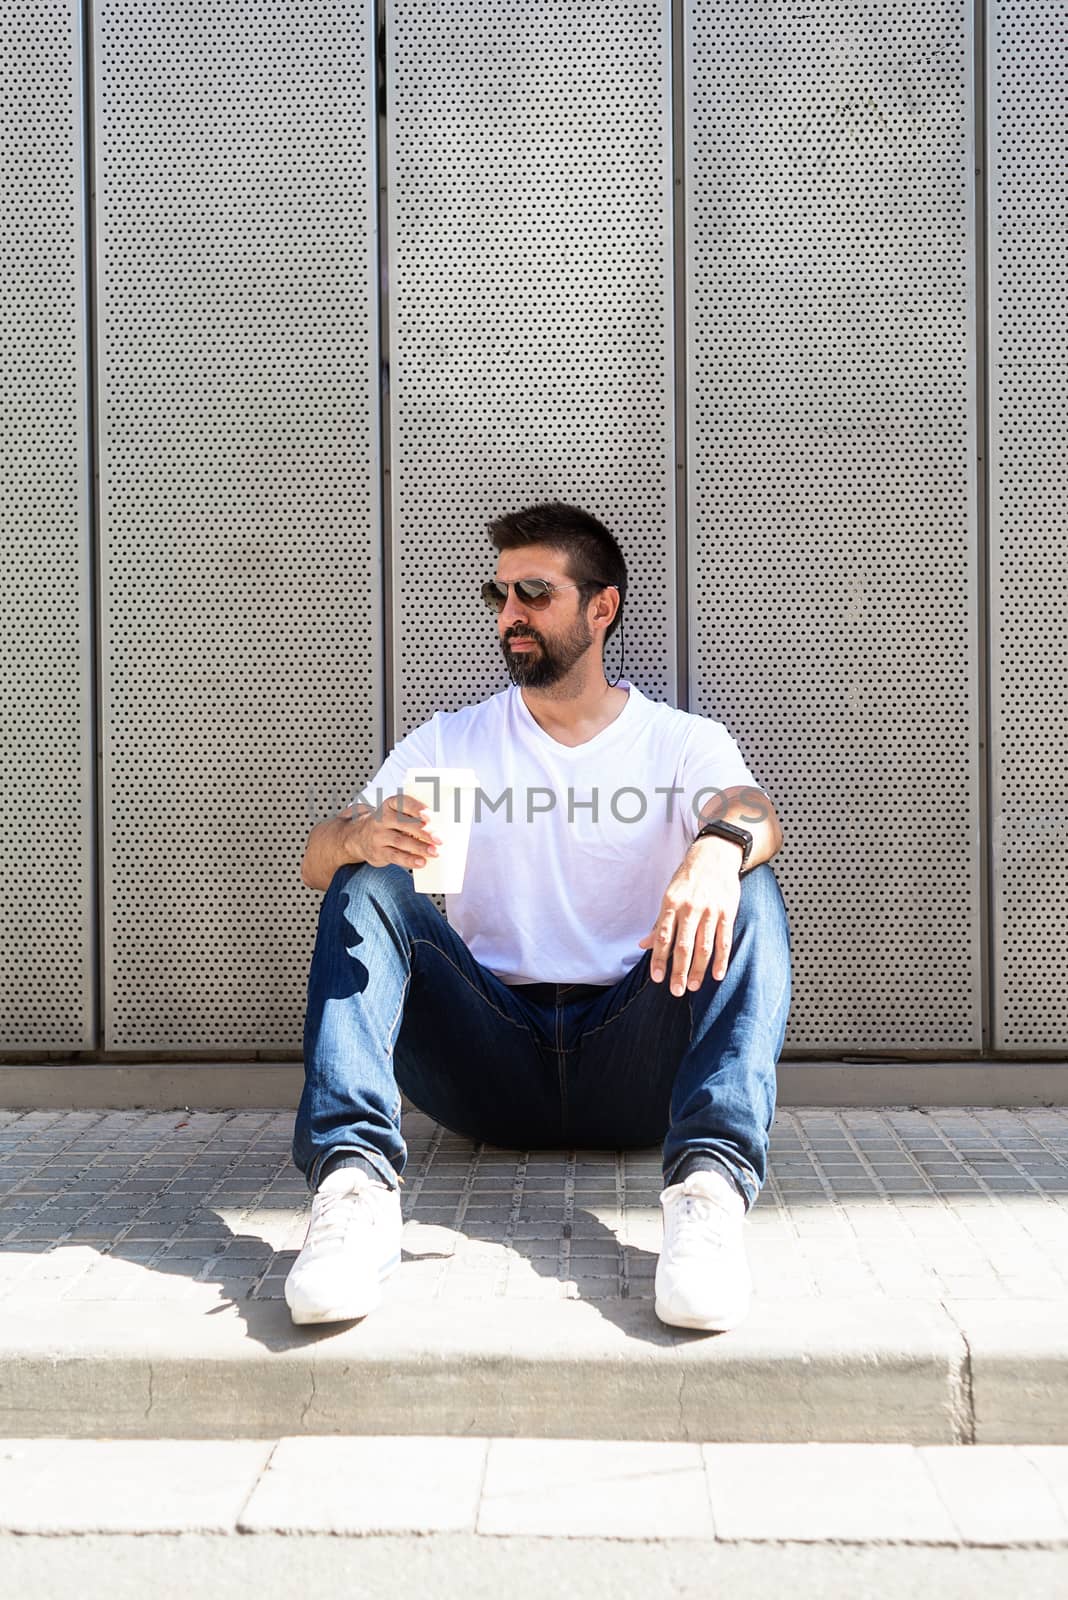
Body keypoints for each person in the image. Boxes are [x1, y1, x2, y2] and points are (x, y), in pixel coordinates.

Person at [287, 502, 792, 1333]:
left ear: (603, 608)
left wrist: (716, 848)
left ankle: (708, 1193)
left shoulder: (679, 740)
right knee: (365, 880)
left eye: (533, 593)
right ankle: (353, 1191)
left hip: (639, 1060)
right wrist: (359, 834)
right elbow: (315, 862)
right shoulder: (454, 740)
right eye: (500, 595)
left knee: (748, 883)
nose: (510, 615)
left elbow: (755, 810)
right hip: (488, 1058)